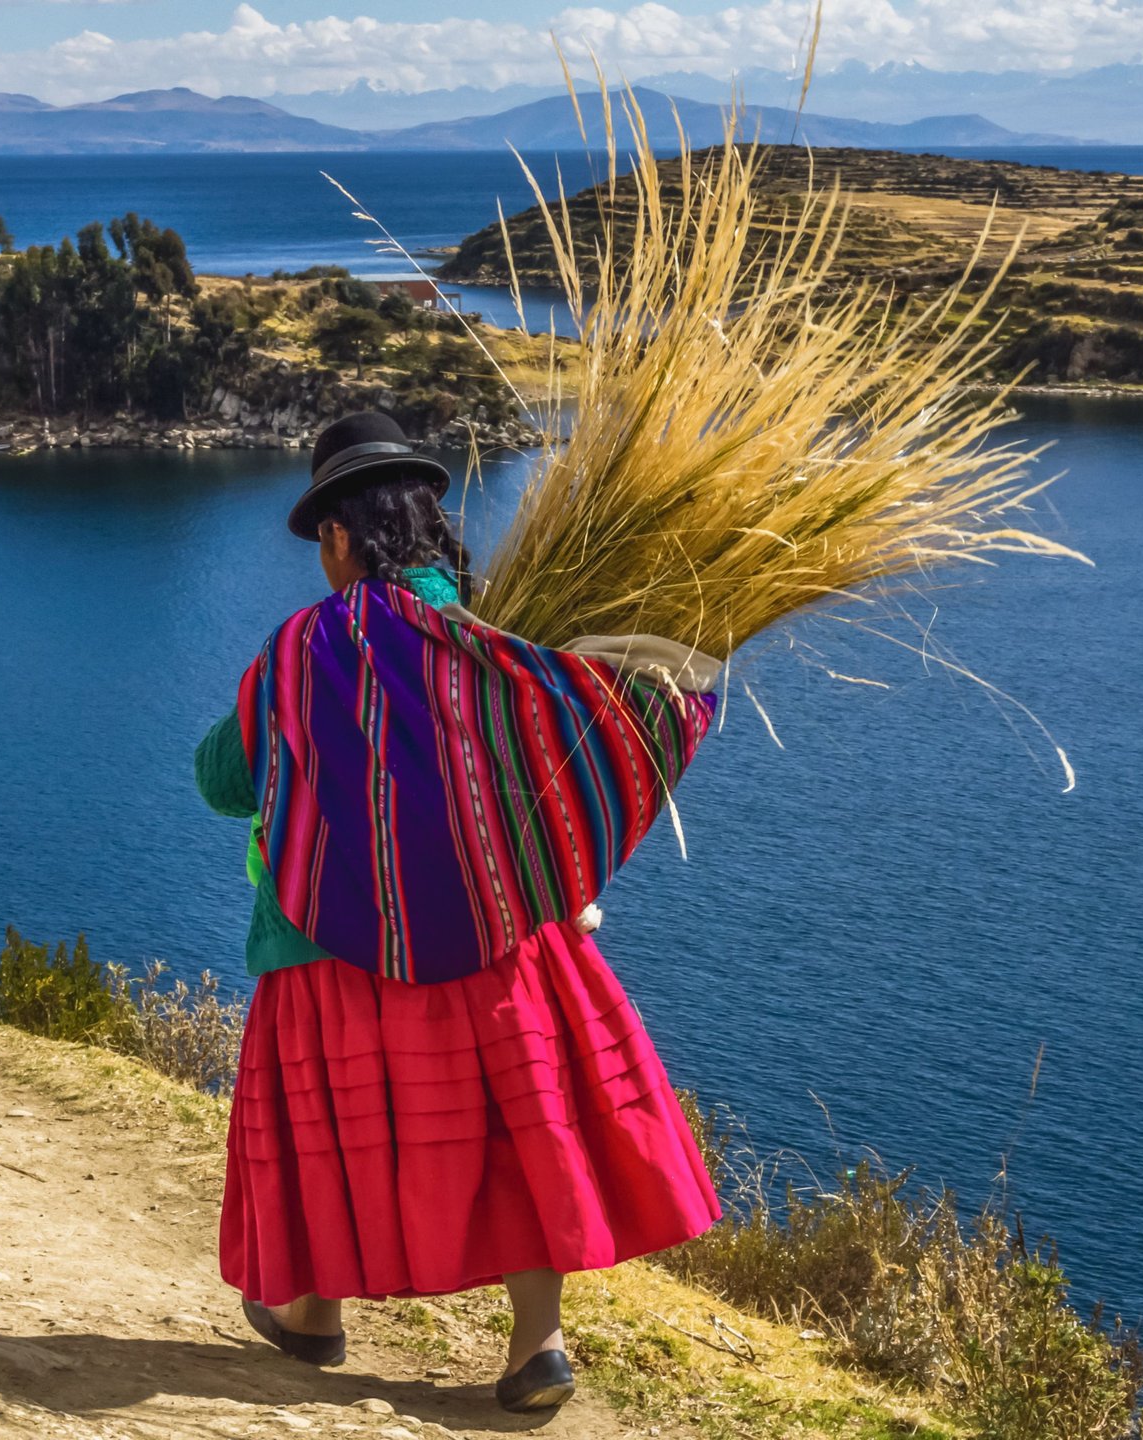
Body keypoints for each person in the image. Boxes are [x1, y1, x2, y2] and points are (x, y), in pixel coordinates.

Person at [194, 411, 725, 1414]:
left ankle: (312, 1314)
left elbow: (224, 777)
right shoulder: (504, 641)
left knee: (328, 1134)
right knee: (513, 1135)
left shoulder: (303, 651)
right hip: (500, 941)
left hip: (322, 943)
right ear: (429, 526)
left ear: (342, 538)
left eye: (323, 543)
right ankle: (538, 1348)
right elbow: (593, 723)